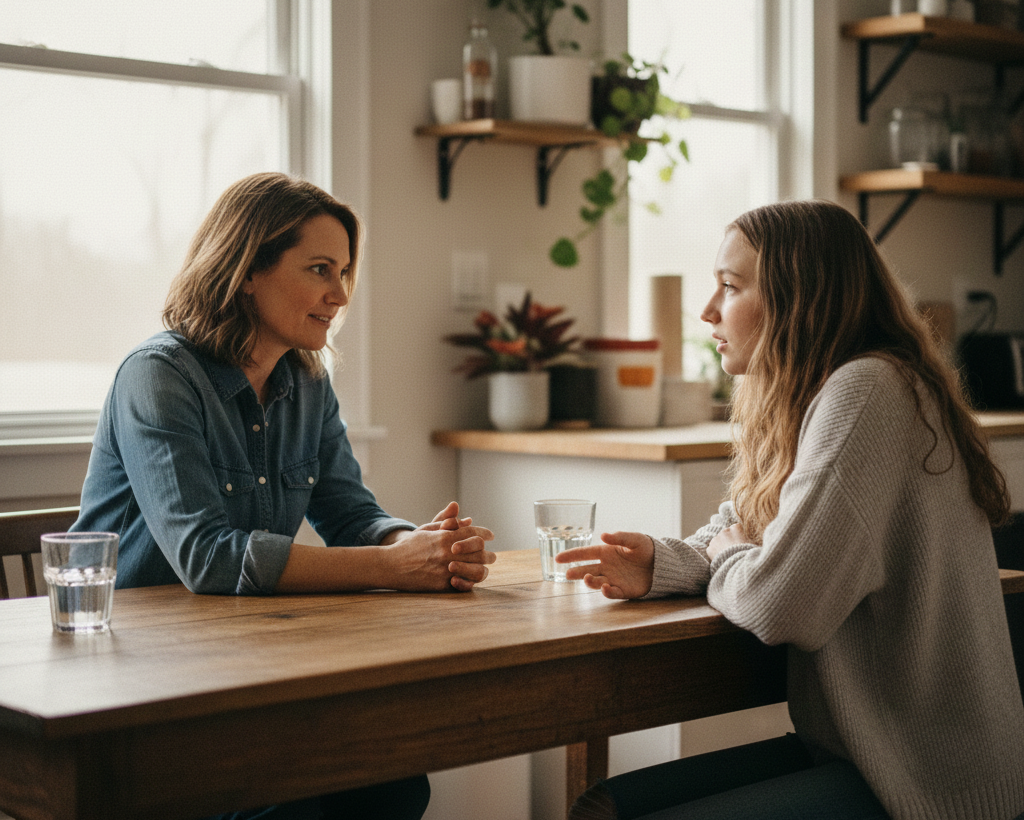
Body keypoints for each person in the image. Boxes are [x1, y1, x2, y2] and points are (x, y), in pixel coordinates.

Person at [557, 200, 1024, 820]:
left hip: (926, 781)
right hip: (857, 750)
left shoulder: (868, 392)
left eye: (730, 286)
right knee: (603, 807)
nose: (707, 311)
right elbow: (739, 532)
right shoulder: (817, 396)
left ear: (798, 296)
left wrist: (727, 557)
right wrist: (661, 564)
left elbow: (780, 604)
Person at [73, 172, 497, 819]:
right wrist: (392, 567)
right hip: (136, 686)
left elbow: (349, 511)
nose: (340, 294)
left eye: (346, 271)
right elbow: (208, 557)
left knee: (395, 783)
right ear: (246, 270)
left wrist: (417, 545)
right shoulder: (157, 377)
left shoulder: (307, 381)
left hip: (248, 664)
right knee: (285, 809)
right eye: (320, 269)